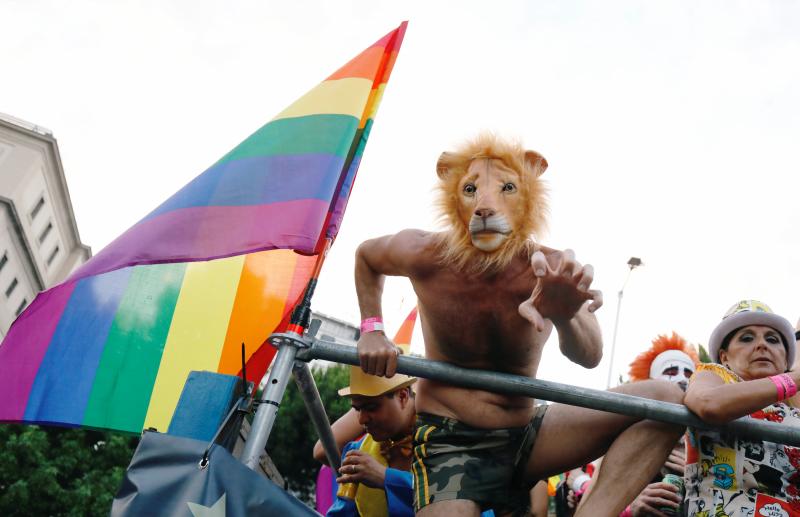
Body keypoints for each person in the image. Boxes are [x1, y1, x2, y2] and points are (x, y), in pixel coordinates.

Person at [353, 133, 685, 516]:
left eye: (507, 188)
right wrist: (373, 328)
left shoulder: (550, 266)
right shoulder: (423, 252)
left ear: (527, 198)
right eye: (470, 190)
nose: (484, 205)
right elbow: (366, 257)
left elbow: (591, 355)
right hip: (451, 440)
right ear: (452, 199)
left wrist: (564, 315)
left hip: (527, 434)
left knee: (666, 401)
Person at [683, 300, 800, 516]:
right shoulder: (713, 376)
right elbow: (709, 404)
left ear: (786, 361)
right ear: (724, 357)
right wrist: (793, 380)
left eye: (772, 339)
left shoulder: (795, 411)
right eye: (746, 338)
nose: (762, 345)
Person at [326, 360, 417, 517]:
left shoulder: (443, 439)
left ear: (402, 396)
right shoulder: (357, 453)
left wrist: (385, 477)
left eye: (371, 408)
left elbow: (450, 498)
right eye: (357, 409)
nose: (361, 420)